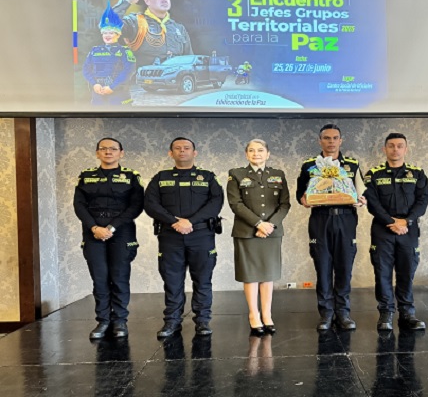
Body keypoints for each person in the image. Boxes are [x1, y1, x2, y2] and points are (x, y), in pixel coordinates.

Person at [144, 137, 223, 338]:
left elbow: (216, 203)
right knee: (172, 281)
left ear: (194, 153)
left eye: (187, 148)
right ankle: (172, 321)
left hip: (201, 235)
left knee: (203, 280)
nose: (182, 151)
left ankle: (202, 321)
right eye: (177, 148)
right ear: (170, 153)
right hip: (170, 236)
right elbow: (150, 204)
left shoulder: (207, 177)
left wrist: (190, 221)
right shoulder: (160, 178)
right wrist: (174, 221)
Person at [296, 123, 367, 331]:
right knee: (323, 266)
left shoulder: (352, 165)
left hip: (345, 219)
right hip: (320, 219)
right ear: (320, 141)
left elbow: (362, 192)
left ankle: (343, 312)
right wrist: (304, 200)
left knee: (344, 267)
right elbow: (300, 194)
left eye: (335, 138)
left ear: (341, 141)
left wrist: (362, 200)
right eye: (326, 138)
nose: (331, 142)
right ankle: (326, 313)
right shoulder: (309, 165)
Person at [73, 137, 144, 339]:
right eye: (103, 149)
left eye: (113, 149)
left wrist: (111, 227)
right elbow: (79, 205)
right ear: (97, 153)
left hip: (121, 231)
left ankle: (120, 320)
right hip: (93, 232)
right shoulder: (86, 176)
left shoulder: (131, 176)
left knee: (119, 277)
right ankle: (103, 321)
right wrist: (94, 227)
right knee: (100, 278)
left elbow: (136, 206)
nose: (108, 152)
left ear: (121, 153)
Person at [363, 133, 428, 331]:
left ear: (405, 149)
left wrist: (406, 221)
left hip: (409, 229)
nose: (395, 149)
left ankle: (407, 313)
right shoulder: (373, 174)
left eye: (400, 146)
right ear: (384, 149)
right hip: (383, 229)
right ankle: (385, 313)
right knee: (382, 272)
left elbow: (423, 200)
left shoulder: (417, 174)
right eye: (391, 146)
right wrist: (391, 222)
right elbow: (372, 203)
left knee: (406, 271)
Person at [227, 139, 291, 336]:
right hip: (247, 232)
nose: (256, 154)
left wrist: (269, 225)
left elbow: (285, 204)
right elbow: (235, 204)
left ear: (268, 154)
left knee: (268, 274)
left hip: (271, 232)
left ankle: (267, 315)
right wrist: (258, 224)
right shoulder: (236, 174)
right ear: (246, 154)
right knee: (251, 275)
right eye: (252, 150)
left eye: (260, 150)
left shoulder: (278, 174)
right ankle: (254, 315)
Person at [112, 0, 193, 69]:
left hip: (174, 79)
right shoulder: (135, 22)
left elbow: (190, 60)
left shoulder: (179, 28)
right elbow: (109, 24)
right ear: (147, 1)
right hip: (144, 79)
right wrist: (127, 1)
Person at [82, 1, 136, 105]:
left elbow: (129, 71)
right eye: (105, 33)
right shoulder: (94, 51)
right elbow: (86, 69)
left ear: (118, 35)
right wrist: (94, 84)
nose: (107, 35)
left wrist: (112, 87)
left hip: (119, 97)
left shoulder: (125, 51)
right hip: (98, 97)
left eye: (111, 33)